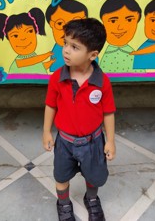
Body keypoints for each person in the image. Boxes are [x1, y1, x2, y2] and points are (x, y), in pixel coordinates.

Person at [42, 18, 116, 221]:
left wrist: (110, 140)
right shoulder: (57, 77)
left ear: (92, 55)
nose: (66, 50)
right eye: (65, 43)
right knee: (61, 176)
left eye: (74, 47)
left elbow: (108, 112)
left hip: (93, 142)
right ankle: (63, 203)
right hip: (64, 142)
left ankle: (91, 199)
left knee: (94, 177)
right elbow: (51, 105)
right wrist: (47, 131)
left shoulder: (102, 82)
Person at [99, 0, 144, 73]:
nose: (120, 27)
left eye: (129, 20)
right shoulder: (98, 55)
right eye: (113, 20)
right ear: (103, 21)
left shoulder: (136, 58)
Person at [0, 8, 53, 73]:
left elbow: (38, 67)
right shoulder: (19, 61)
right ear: (9, 39)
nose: (23, 38)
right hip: (16, 80)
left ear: (35, 31)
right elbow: (30, 61)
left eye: (30, 31)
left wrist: (51, 63)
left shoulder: (33, 55)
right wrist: (46, 55)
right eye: (15, 35)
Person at [45, 0, 88, 72]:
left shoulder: (88, 50)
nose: (67, 30)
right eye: (60, 24)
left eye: (76, 23)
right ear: (51, 24)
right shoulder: (57, 51)